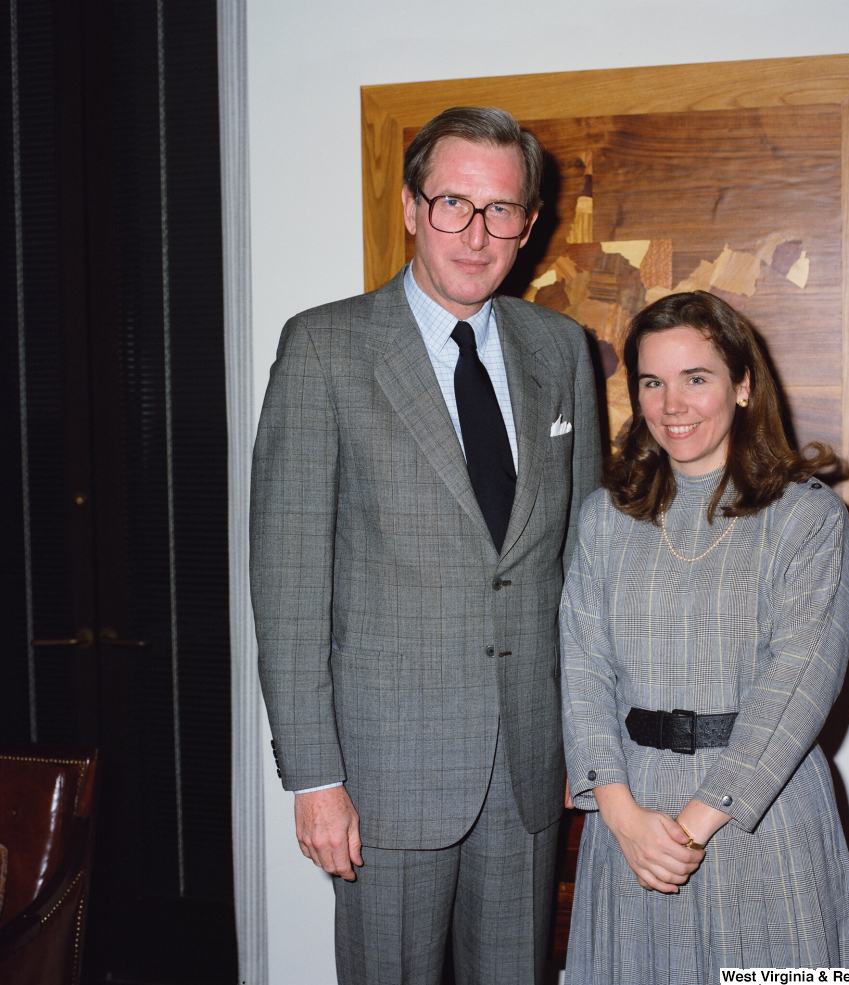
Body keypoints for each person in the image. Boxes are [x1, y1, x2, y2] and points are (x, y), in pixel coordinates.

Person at [249, 106, 601, 985]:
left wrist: (585, 739)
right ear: (411, 207)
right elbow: (289, 581)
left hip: (529, 764)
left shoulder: (561, 351)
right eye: (453, 203)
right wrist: (314, 778)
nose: (476, 233)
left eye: (500, 210)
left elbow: (583, 567)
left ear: (529, 222)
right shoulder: (324, 347)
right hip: (383, 773)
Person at [560, 291, 849, 983]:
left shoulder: (807, 519)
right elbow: (582, 667)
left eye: (696, 378)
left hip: (760, 818)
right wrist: (621, 813)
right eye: (652, 381)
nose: (673, 404)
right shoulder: (603, 519)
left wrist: (693, 826)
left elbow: (799, 682)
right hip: (632, 820)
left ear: (743, 384)